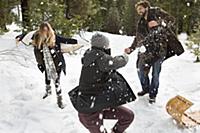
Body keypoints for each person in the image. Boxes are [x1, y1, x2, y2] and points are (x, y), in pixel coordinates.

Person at [69, 33, 136, 133]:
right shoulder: (99, 58)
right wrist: (125, 56)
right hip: (89, 112)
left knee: (128, 116)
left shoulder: (93, 55)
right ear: (103, 45)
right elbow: (116, 62)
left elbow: (108, 62)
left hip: (99, 104)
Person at [124, 0, 184, 103]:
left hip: (159, 50)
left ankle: (153, 94)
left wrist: (159, 24)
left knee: (155, 74)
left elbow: (171, 20)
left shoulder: (156, 12)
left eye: (140, 8)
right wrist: (131, 48)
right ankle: (146, 88)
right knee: (140, 71)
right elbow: (138, 38)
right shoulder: (141, 22)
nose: (139, 11)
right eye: (137, 9)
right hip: (146, 51)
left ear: (146, 7)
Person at [32, 22, 78, 109]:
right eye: (43, 30)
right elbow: (37, 53)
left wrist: (76, 41)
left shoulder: (54, 37)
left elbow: (65, 40)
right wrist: (40, 63)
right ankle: (48, 92)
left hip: (57, 63)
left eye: (47, 30)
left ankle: (59, 100)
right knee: (47, 77)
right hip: (46, 63)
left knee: (57, 81)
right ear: (41, 31)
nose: (45, 32)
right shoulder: (38, 38)